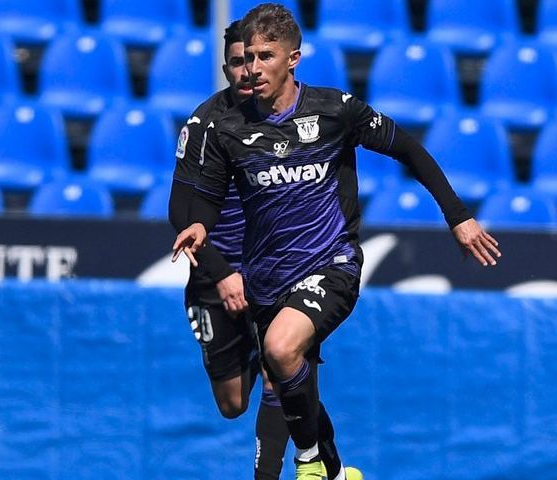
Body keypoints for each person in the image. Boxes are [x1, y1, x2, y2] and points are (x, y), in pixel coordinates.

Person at [172, 3, 501, 480]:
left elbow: (407, 148)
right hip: (266, 276)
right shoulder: (227, 128)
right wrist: (201, 227)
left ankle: (306, 463)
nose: (253, 68)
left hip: (331, 264)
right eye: (247, 58)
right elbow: (206, 198)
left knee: (280, 351)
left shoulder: (334, 110)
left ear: (293, 59)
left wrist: (459, 217)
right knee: (278, 382)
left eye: (265, 56)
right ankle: (334, 469)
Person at [168, 20, 291, 480]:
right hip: (215, 274)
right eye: (237, 62)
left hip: (269, 271)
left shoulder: (285, 117)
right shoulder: (203, 124)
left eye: (254, 60)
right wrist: (220, 273)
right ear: (226, 69)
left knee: (281, 369)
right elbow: (179, 212)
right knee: (232, 403)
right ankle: (252, 351)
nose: (247, 71)